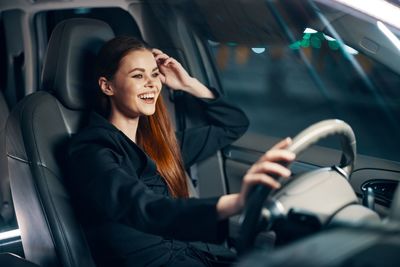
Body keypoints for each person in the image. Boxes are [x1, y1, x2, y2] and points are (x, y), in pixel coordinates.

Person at [66, 36, 295, 267]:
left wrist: (188, 84)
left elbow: (234, 124)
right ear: (107, 86)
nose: (152, 83)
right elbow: (144, 206)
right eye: (138, 75)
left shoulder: (161, 145)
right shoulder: (91, 150)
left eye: (155, 74)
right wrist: (235, 203)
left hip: (196, 255)